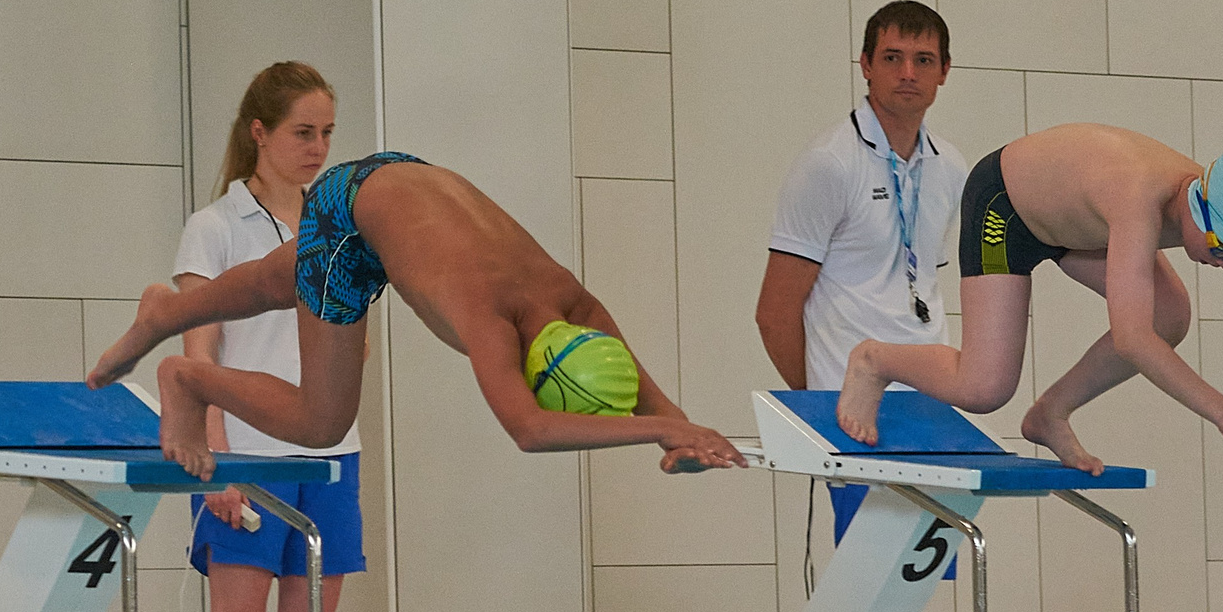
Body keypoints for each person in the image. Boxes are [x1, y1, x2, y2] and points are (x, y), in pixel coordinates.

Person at [89, 154, 741, 474]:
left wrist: (680, 436)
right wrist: (657, 430)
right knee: (323, 421)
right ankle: (189, 380)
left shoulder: (575, 302)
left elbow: (665, 415)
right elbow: (531, 429)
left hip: (397, 176)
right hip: (353, 217)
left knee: (271, 280)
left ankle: (165, 311)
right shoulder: (490, 318)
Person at [756, 0, 974, 612]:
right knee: (866, 590)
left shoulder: (949, 164)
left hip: (924, 401)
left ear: (945, 72)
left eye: (924, 58)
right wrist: (822, 408)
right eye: (893, 56)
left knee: (901, 593)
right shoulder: (828, 163)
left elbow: (917, 287)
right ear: (865, 63)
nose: (907, 72)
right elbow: (777, 308)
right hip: (857, 409)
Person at [835, 127, 1223, 477]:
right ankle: (874, 360)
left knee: (1170, 315)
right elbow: (1132, 340)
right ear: (1199, 206)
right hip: (1006, 206)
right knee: (984, 389)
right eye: (1222, 251)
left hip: (1075, 224)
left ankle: (1049, 412)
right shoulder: (1138, 194)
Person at [175, 64, 370, 612]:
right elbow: (199, 350)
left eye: (327, 132)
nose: (319, 147)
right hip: (246, 451)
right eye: (303, 132)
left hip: (328, 454)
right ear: (260, 132)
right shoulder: (214, 227)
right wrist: (216, 459)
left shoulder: (339, 230)